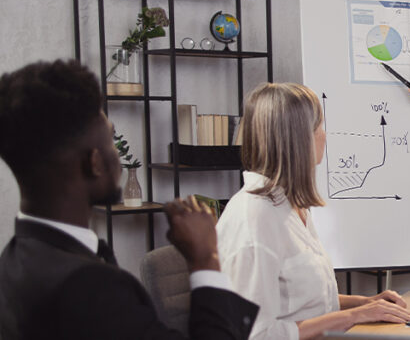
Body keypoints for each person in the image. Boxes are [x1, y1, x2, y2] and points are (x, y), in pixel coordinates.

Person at [0, 60, 258, 339]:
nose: (119, 157)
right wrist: (205, 259)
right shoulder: (91, 289)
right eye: (111, 140)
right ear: (95, 162)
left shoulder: (13, 261)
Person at [216, 82, 410, 340]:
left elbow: (305, 299)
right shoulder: (255, 219)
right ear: (299, 139)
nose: (325, 135)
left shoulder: (290, 205)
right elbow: (257, 335)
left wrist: (364, 303)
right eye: (320, 126)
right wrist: (354, 316)